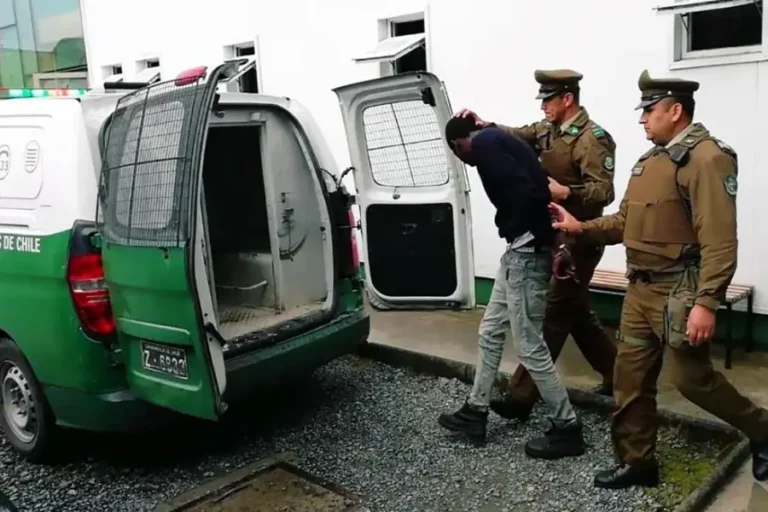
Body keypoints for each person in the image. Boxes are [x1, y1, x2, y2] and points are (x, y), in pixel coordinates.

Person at [550, 69, 768, 488]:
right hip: (640, 290)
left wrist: (707, 302)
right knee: (629, 381)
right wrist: (579, 227)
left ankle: (763, 430)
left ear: (676, 110)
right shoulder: (649, 161)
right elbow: (625, 222)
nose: (642, 119)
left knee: (693, 382)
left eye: (649, 110)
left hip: (679, 292)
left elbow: (721, 240)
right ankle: (638, 463)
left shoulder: (707, 158)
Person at [456, 69, 617, 424]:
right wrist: (486, 125)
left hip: (578, 236)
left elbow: (605, 192)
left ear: (567, 99)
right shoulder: (548, 129)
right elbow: (519, 135)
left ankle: (522, 397)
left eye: (548, 99)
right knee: (575, 312)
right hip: (550, 231)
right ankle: (619, 375)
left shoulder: (593, 138)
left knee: (554, 312)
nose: (543, 106)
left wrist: (567, 193)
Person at [437, 115, 586, 460]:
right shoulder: (499, 140)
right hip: (519, 251)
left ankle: (567, 427)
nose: (464, 160)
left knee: (530, 347)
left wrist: (551, 243)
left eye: (460, 154)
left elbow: (529, 194)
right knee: (490, 331)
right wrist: (553, 242)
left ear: (461, 144)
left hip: (526, 254)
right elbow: (539, 189)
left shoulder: (486, 146)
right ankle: (476, 411)